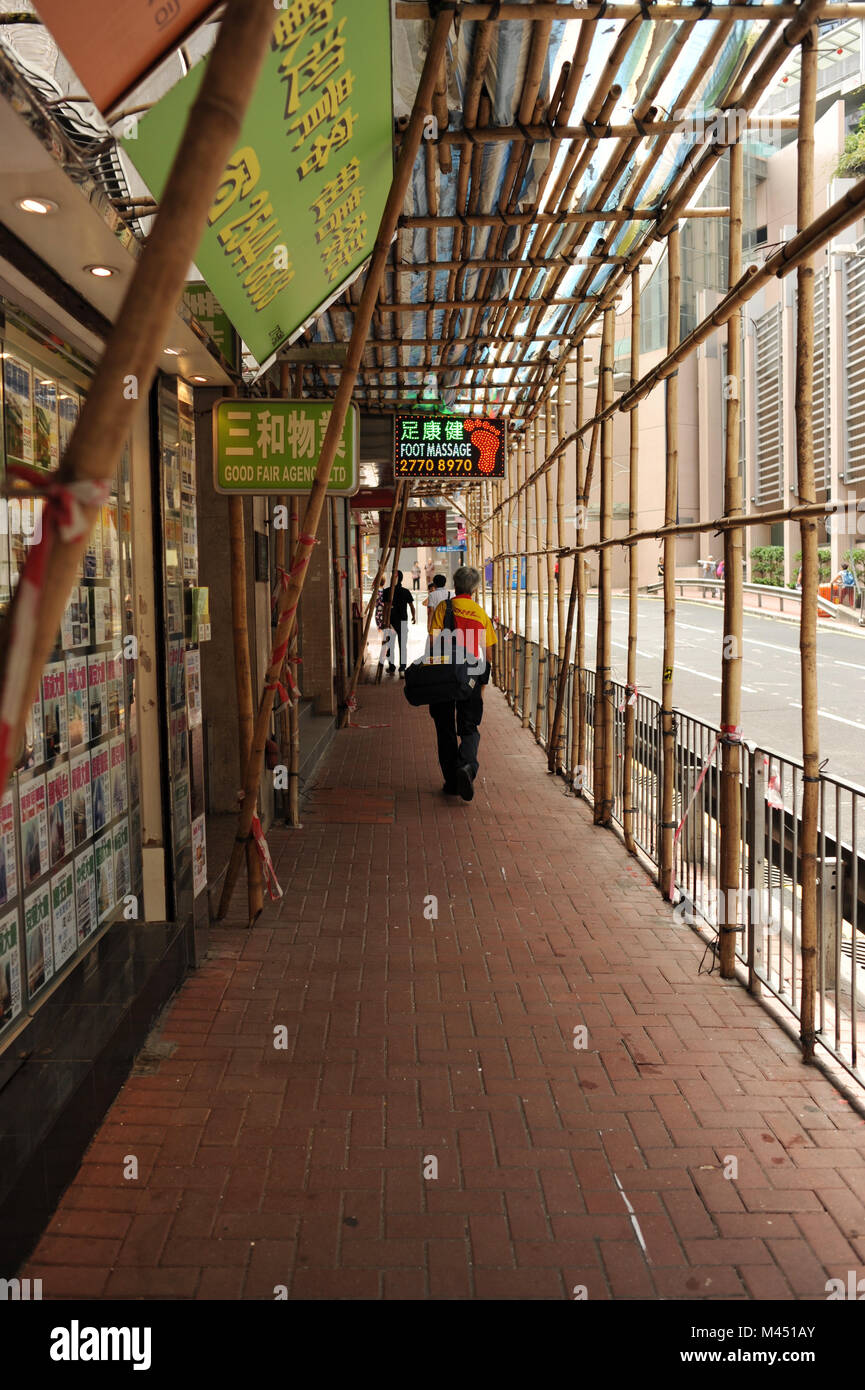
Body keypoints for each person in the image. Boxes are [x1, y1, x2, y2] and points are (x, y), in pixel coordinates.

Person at [428, 565, 496, 802]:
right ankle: (466, 766)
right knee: (469, 727)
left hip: (445, 676)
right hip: (472, 676)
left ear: (455, 586)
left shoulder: (443, 608)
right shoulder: (480, 613)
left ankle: (451, 781)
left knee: (445, 728)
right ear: (475, 589)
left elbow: (433, 642)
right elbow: (487, 655)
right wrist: (483, 685)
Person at [385, 571, 415, 674]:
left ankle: (396, 666)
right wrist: (413, 616)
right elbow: (411, 606)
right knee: (398, 645)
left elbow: (411, 606)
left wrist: (414, 616)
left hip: (394, 622)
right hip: (395, 622)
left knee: (392, 645)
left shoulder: (388, 591)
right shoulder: (390, 591)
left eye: (394, 577)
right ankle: (399, 667)